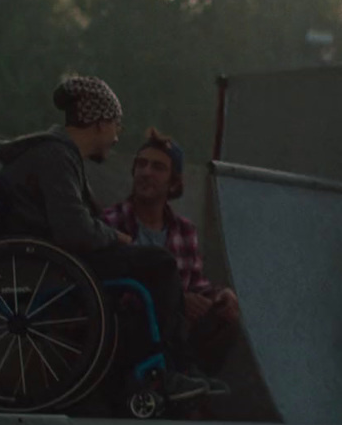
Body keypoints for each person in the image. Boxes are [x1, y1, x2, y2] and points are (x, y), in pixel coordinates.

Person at [0, 76, 209, 401]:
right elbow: (75, 230)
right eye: (115, 126)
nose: (116, 137)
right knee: (162, 264)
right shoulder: (56, 157)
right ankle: (167, 371)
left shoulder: (61, 157)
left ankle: (173, 368)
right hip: (48, 266)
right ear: (99, 122)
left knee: (155, 275)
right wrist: (118, 239)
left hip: (52, 259)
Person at [101, 129, 243, 380]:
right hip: (129, 325)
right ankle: (175, 383)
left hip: (178, 329)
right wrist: (176, 301)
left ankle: (192, 387)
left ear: (174, 182)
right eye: (141, 165)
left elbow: (196, 284)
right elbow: (105, 290)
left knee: (226, 316)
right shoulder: (112, 221)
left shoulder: (185, 230)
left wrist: (221, 295)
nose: (146, 172)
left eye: (158, 167)